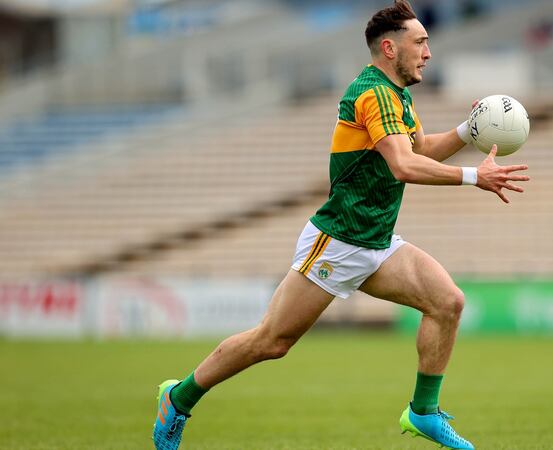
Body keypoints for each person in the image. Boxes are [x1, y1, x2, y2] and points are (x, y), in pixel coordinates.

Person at [152, 2, 529, 449]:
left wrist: (470, 130)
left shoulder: (398, 96)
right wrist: (474, 176)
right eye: (420, 42)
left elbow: (422, 150)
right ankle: (178, 397)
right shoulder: (372, 94)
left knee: (447, 302)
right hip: (338, 241)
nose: (428, 52)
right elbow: (404, 165)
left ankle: (423, 412)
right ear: (389, 48)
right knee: (271, 342)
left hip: (377, 242)